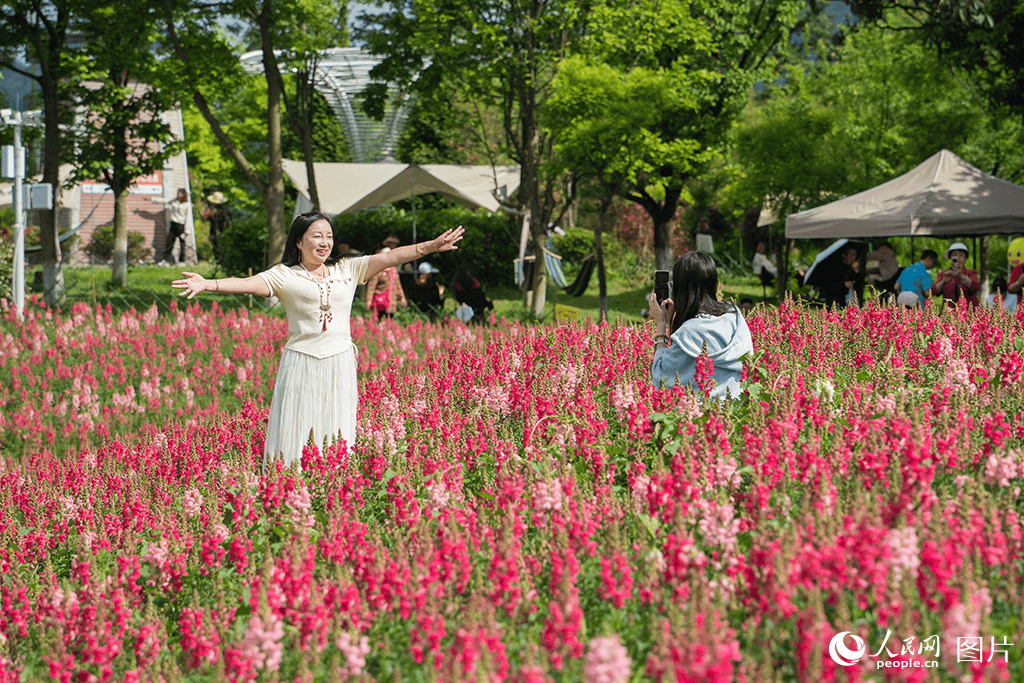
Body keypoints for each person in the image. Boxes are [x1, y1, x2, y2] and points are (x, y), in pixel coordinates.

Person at [171, 212, 464, 467]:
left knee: (338, 427)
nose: (324, 242)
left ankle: (333, 485)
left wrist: (430, 247)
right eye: (316, 236)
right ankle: (289, 484)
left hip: (340, 362)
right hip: (301, 362)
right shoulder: (284, 276)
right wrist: (208, 284)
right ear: (299, 241)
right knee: (296, 427)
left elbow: (391, 257)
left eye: (329, 236)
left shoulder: (347, 269)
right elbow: (248, 283)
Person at [648, 252, 753, 400]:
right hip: (737, 406)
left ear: (680, 289)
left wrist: (661, 325)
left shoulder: (689, 331)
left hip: (703, 411)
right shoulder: (733, 315)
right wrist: (673, 322)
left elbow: (660, 376)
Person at [932, 242, 980, 309]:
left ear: (965, 259)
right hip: (948, 312)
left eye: (961, 255)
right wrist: (943, 282)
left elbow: (975, 287)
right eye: (954, 255)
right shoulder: (944, 274)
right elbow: (934, 292)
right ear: (950, 258)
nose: (958, 257)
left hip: (969, 312)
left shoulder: (971, 273)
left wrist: (962, 276)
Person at [364, 247, 408, 320]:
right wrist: (368, 301)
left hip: (391, 301)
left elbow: (398, 285)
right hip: (380, 301)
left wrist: (402, 297)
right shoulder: (377, 270)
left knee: (390, 320)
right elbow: (371, 287)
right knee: (379, 320)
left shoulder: (393, 269)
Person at [153, 188, 191, 265]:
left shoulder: (187, 205)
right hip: (173, 224)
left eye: (180, 193)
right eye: (178, 193)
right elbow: (163, 200)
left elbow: (188, 217)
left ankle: (181, 261)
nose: (178, 194)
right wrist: (152, 199)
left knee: (182, 244)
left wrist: (187, 230)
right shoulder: (174, 201)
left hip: (181, 225)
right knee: (169, 243)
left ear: (183, 195)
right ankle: (166, 260)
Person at [202, 191, 228, 265]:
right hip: (219, 231)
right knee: (217, 248)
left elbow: (206, 219)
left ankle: (219, 262)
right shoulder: (224, 210)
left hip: (217, 231)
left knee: (217, 248)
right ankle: (219, 262)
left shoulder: (217, 211)